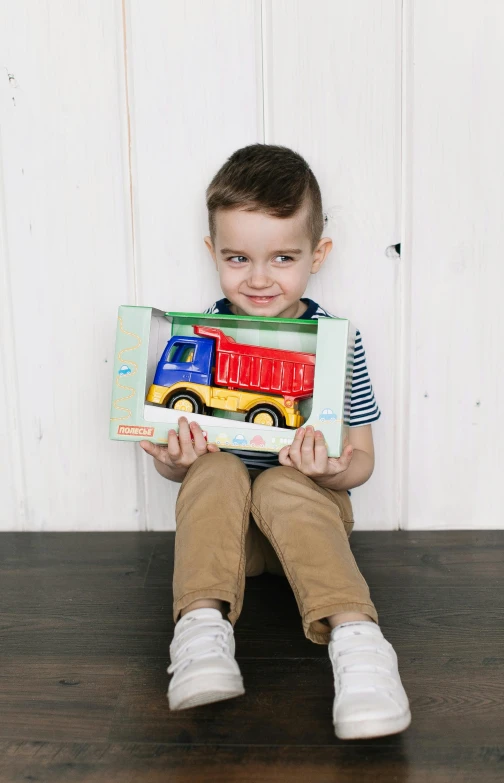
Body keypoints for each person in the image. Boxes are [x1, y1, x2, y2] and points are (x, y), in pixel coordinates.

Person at [140, 144, 411, 740]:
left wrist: (333, 471)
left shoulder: (337, 343)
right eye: (238, 257)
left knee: (285, 481)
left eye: (283, 257)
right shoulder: (201, 336)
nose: (259, 278)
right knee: (215, 471)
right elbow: (181, 472)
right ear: (212, 253)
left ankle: (360, 644)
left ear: (319, 255)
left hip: (309, 523)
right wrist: (174, 462)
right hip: (234, 543)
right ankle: (200, 632)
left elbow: (363, 460)